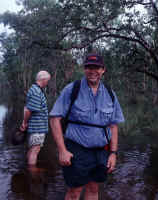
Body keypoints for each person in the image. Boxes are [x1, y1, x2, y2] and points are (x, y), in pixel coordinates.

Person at [49, 53, 125, 200]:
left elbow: (113, 126)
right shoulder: (72, 89)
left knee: (93, 188)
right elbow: (54, 119)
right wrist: (62, 150)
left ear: (103, 70)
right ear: (84, 69)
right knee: (74, 192)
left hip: (102, 151)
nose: (93, 71)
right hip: (77, 150)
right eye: (89, 67)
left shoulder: (110, 94)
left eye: (96, 67)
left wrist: (113, 153)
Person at [20, 70, 51, 169]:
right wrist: (24, 123)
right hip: (37, 128)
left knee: (33, 149)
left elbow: (27, 108)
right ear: (43, 79)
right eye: (47, 80)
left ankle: (28, 171)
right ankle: (32, 172)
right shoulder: (36, 92)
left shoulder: (35, 90)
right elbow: (28, 110)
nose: (47, 83)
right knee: (35, 150)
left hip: (37, 127)